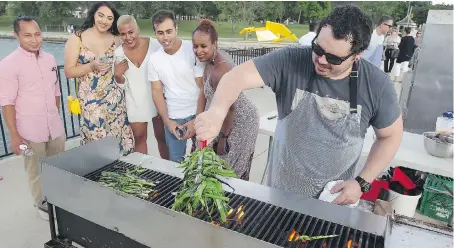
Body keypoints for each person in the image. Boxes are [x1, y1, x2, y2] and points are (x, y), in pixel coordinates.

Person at [195, 5, 403, 205]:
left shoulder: (376, 85)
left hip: (333, 200)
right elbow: (236, 77)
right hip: (281, 193)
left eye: (332, 58)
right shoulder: (292, 61)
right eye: (317, 48)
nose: (321, 60)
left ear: (358, 55)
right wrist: (217, 111)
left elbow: (390, 136)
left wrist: (362, 182)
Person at [0, 16, 66, 220]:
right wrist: (14, 136)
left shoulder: (50, 59)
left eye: (37, 34)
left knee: (57, 166)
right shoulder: (8, 64)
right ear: (16, 36)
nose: (34, 40)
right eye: (27, 35)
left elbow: (56, 91)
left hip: (54, 128)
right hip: (29, 131)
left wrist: (55, 115)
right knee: (35, 171)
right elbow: (7, 103)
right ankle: (42, 205)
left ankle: (58, 199)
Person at [192, 19, 260, 180]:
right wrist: (198, 122)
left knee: (228, 170)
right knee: (210, 162)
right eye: (195, 46)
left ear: (214, 44)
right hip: (224, 116)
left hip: (240, 120)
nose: (199, 50)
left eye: (204, 46)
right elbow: (204, 91)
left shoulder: (221, 70)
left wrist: (223, 137)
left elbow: (231, 108)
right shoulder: (208, 62)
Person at [64, 2, 134, 155]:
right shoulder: (77, 38)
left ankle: (118, 177)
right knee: (97, 146)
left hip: (115, 101)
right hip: (91, 103)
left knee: (118, 143)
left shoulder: (117, 39)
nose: (104, 21)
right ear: (93, 14)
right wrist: (91, 66)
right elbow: (68, 72)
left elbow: (134, 48)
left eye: (109, 18)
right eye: (100, 15)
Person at [148, 10, 205, 162]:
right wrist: (168, 122)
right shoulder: (154, 59)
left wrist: (197, 120)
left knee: (202, 160)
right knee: (175, 162)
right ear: (155, 33)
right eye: (160, 33)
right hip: (173, 117)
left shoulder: (193, 50)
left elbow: (202, 88)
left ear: (176, 29)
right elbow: (156, 92)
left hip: (197, 113)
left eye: (169, 31)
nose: (165, 37)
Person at [113, 15, 169, 158]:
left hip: (157, 99)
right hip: (134, 101)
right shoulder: (118, 53)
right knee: (139, 138)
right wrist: (118, 76)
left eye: (131, 32)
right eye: (123, 34)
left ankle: (169, 170)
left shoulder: (155, 45)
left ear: (138, 30)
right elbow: (121, 84)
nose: (127, 37)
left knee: (162, 137)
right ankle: (143, 174)